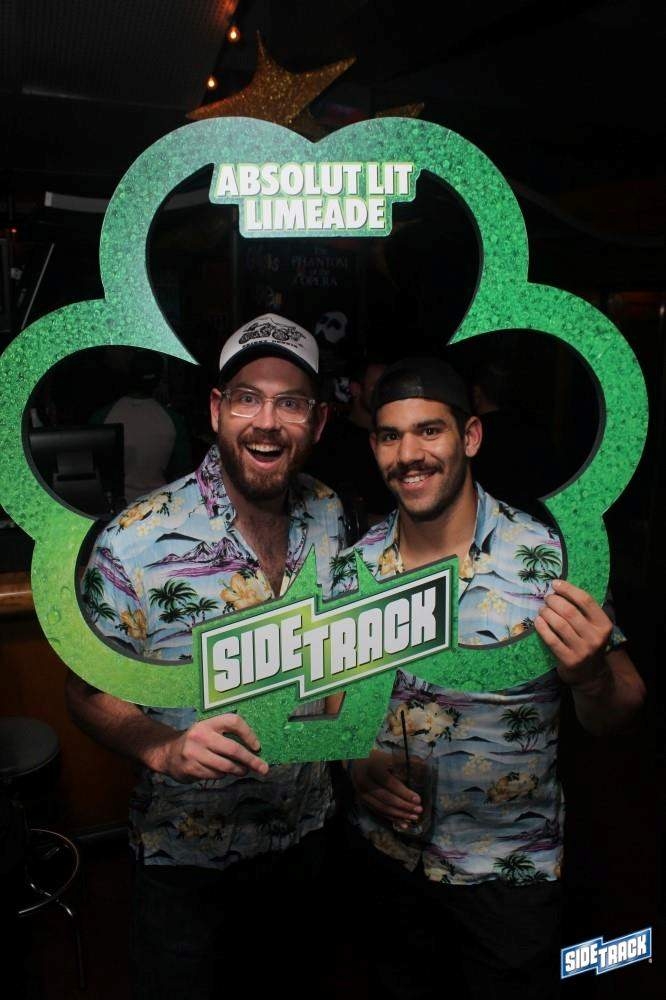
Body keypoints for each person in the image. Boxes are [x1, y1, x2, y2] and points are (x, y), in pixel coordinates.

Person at [331, 356, 645, 999]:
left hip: (508, 876)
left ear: (470, 436)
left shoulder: (549, 562)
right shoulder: (351, 571)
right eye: (390, 436)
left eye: (430, 431)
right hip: (386, 864)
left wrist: (589, 677)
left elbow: (623, 704)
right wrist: (352, 758)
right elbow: (332, 701)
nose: (408, 455)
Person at [66, 313, 347, 999]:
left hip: (309, 837)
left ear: (317, 422)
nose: (267, 422)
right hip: (187, 861)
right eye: (248, 398)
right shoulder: (133, 540)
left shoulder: (331, 513)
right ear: (218, 410)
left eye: (290, 403)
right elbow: (84, 691)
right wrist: (161, 747)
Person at [307, 353, 394, 532]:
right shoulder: (333, 441)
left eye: (390, 385)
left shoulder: (396, 438)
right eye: (378, 386)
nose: (387, 393)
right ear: (355, 389)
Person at [91, 350, 192, 503]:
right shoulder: (173, 420)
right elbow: (182, 472)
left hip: (115, 505)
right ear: (159, 380)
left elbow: (91, 468)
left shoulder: (103, 416)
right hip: (158, 505)